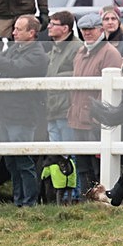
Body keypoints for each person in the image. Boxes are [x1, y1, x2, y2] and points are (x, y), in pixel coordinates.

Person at [0, 14, 49, 206]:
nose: (13, 32)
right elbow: (1, 65)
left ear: (32, 33)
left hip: (22, 115)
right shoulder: (17, 48)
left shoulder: (37, 55)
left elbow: (12, 68)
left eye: (19, 29)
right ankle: (18, 201)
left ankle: (29, 203)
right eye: (14, 28)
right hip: (6, 114)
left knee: (23, 161)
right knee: (11, 163)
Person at [68, 12, 123, 191]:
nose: (86, 33)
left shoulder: (110, 53)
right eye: (83, 29)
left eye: (90, 29)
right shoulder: (80, 52)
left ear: (100, 29)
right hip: (78, 117)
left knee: (98, 164)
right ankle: (87, 199)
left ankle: (102, 198)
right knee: (83, 164)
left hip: (95, 119)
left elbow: (109, 92)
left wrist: (97, 116)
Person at [44, 10, 81, 199]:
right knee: (57, 156)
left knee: (70, 155)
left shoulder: (76, 47)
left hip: (66, 109)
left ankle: (75, 195)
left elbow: (79, 74)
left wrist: (54, 79)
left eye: (53, 23)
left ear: (65, 28)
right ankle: (60, 195)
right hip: (52, 108)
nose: (49, 26)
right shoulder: (55, 47)